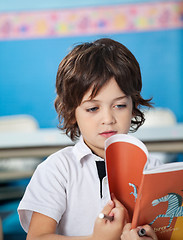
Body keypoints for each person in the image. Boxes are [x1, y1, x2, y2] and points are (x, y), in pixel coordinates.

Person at [18, 38, 158, 240]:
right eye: (93, 108)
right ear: (72, 112)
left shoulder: (153, 170)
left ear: (133, 105)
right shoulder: (57, 170)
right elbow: (37, 237)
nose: (108, 119)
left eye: (119, 105)